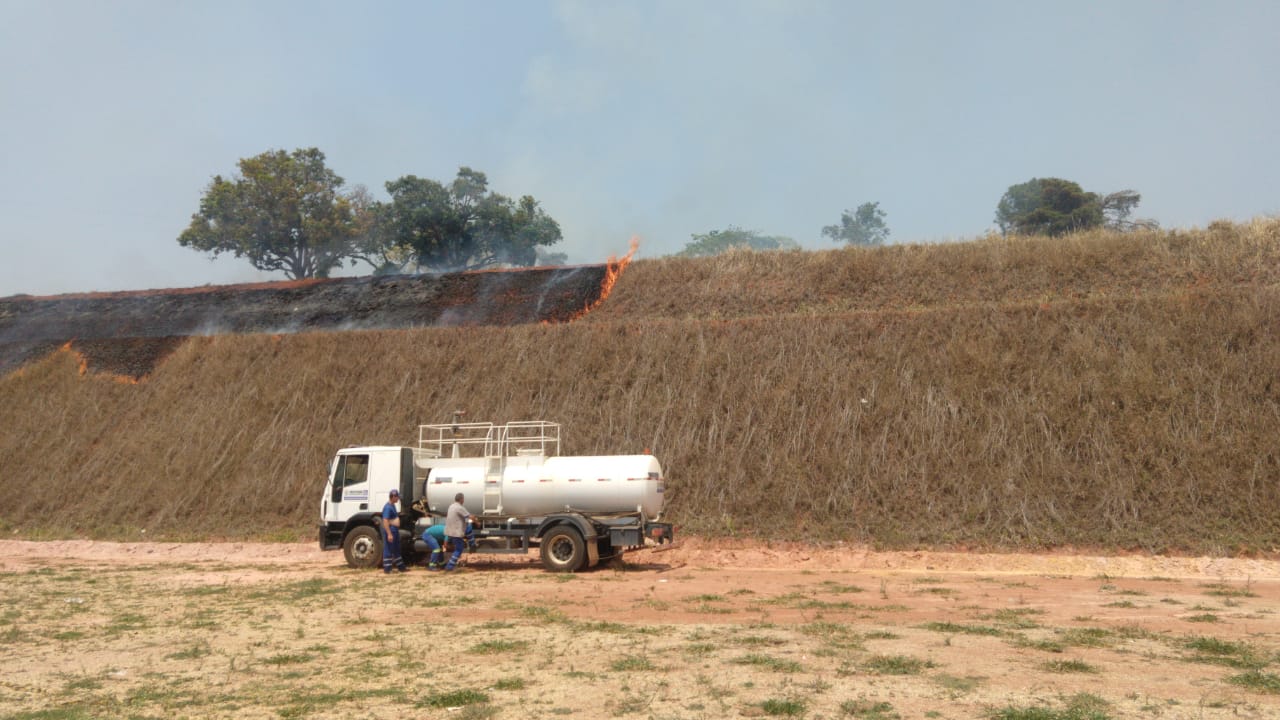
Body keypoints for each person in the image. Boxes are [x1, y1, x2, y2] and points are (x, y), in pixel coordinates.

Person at [381, 489, 408, 574]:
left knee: (396, 549)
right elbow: (385, 521)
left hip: (395, 530)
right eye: (397, 497)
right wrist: (389, 534)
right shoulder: (388, 507)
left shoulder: (393, 506)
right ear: (393, 496)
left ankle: (401, 567)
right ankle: (387, 569)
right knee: (388, 549)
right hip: (391, 530)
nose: (398, 499)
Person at [443, 492, 472, 571]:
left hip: (450, 531)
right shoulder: (459, 507)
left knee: (457, 548)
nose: (463, 500)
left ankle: (448, 565)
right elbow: (469, 516)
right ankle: (449, 566)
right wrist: (477, 522)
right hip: (456, 532)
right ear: (461, 499)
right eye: (463, 499)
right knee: (459, 549)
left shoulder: (451, 506)